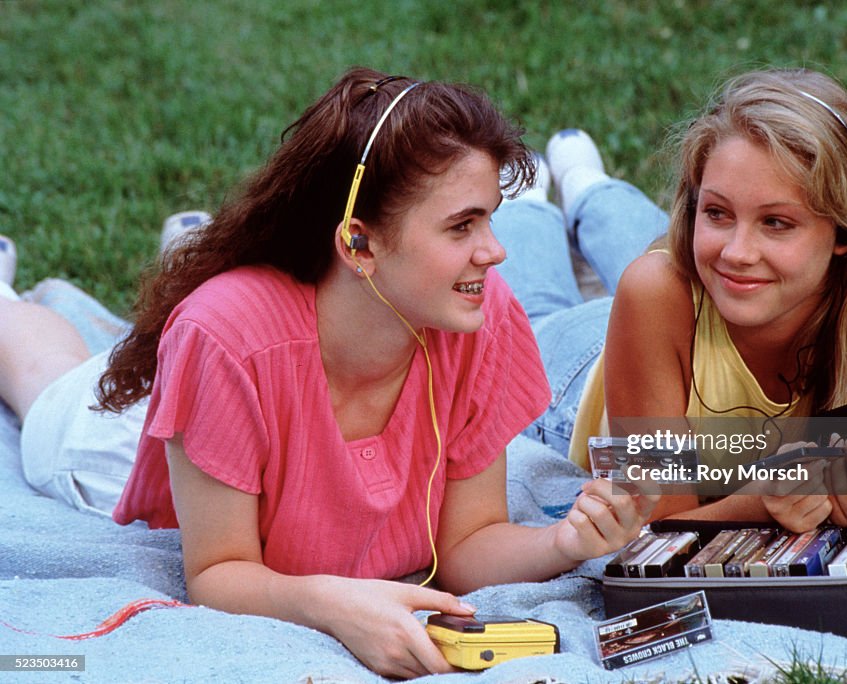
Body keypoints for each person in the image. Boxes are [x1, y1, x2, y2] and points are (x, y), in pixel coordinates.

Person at [0, 67, 657, 679]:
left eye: (488, 218)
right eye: (461, 226)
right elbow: (218, 573)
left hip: (223, 385)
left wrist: (564, 541)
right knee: (46, 376)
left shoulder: (478, 318)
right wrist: (333, 606)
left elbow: (466, 545)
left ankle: (173, 267)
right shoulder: (224, 339)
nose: (495, 250)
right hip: (115, 445)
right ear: (357, 243)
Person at [491, 68, 847, 534]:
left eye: (777, 222)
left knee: (678, 258)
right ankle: (532, 195)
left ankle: (587, 183)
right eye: (716, 211)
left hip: (692, 314)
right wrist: (762, 503)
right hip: (581, 375)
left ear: (845, 231)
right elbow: (656, 524)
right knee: (540, 306)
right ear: (694, 202)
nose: (739, 251)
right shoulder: (655, 292)